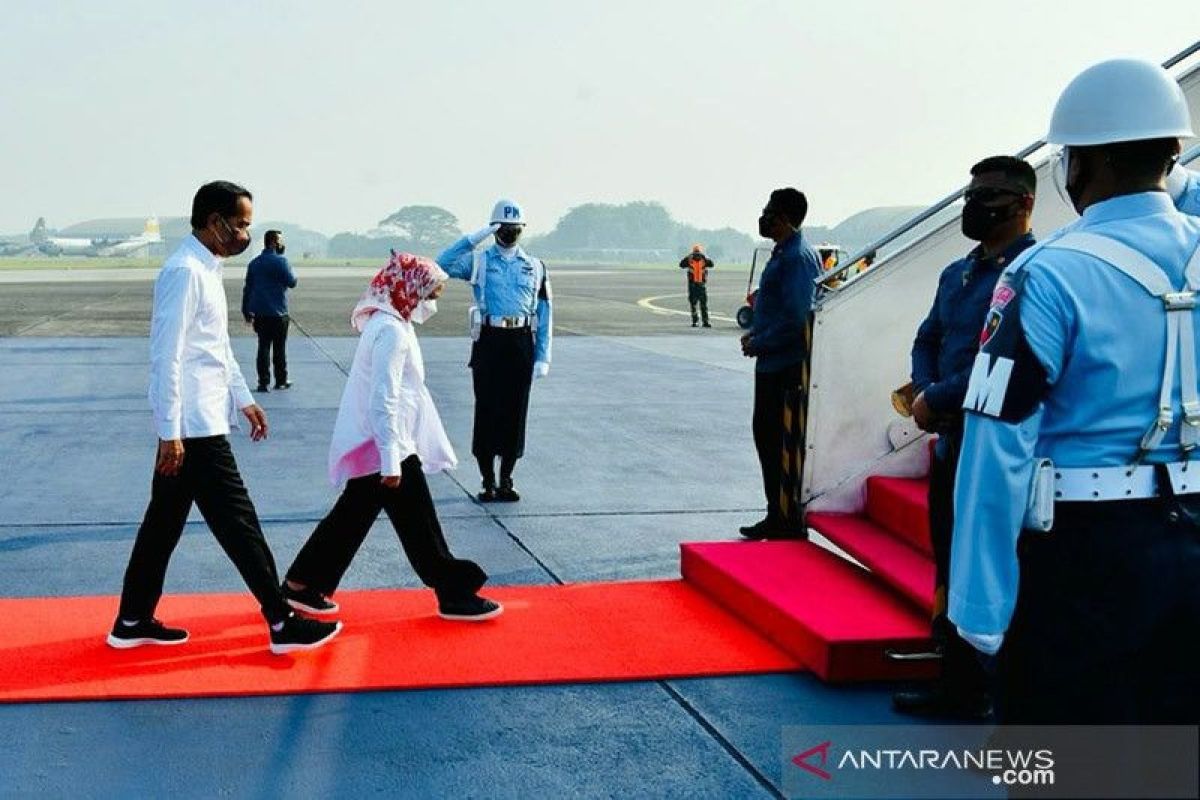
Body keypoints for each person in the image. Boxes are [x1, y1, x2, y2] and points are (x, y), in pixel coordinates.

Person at [950, 59, 1200, 723]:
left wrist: (980, 615)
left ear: (1084, 164)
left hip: (1085, 562)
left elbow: (996, 447)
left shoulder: (1045, 275)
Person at [109, 181, 340, 655]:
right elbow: (166, 357)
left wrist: (243, 399)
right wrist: (169, 433)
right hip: (193, 429)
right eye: (240, 225)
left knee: (163, 525)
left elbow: (213, 349)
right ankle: (281, 621)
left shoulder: (206, 267)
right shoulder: (184, 273)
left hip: (203, 418)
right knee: (239, 522)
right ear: (214, 222)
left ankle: (132, 618)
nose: (245, 235)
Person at [893, 156, 1037, 720]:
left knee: (995, 565)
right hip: (950, 441)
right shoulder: (957, 273)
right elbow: (928, 337)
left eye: (992, 194)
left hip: (994, 443)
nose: (976, 205)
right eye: (972, 194)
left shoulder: (1032, 271)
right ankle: (955, 680)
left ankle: (991, 684)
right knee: (950, 562)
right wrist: (927, 392)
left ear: (1025, 203)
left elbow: (996, 358)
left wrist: (939, 398)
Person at [282, 253, 502, 621]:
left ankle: (302, 583)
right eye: (430, 294)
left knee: (354, 517)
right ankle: (452, 591)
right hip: (388, 444)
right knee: (419, 526)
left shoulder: (388, 323)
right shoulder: (391, 333)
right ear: (411, 289)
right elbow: (383, 397)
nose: (431, 303)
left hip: (387, 442)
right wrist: (391, 458)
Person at [436, 198, 552, 503]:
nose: (509, 234)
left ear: (522, 230)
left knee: (516, 412)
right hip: (489, 340)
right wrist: (476, 236)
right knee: (486, 410)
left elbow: (545, 312)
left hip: (521, 341)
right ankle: (486, 479)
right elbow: (441, 264)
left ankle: (506, 479)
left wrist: (543, 356)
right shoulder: (480, 261)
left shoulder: (536, 267)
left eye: (515, 229)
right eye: (503, 228)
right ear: (494, 228)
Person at [738, 188, 823, 540]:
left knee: (779, 441)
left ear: (786, 217)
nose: (764, 217)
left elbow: (799, 317)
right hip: (772, 364)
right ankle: (777, 512)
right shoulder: (784, 254)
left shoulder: (797, 258)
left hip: (785, 366)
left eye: (769, 212)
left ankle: (785, 518)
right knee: (767, 438)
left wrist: (761, 341)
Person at [242, 229, 298, 392]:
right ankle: (281, 380)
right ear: (274, 242)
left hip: (261, 314)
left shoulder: (254, 263)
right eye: (280, 240)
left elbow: (248, 288)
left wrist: (246, 310)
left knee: (263, 347)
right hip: (279, 313)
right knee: (279, 348)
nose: (282, 244)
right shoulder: (281, 261)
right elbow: (292, 282)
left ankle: (263, 382)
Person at [679, 244, 714, 327]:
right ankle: (705, 322)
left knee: (694, 304)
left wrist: (688, 257)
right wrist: (704, 257)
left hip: (693, 285)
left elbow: (681, 264)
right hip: (701, 285)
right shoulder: (703, 259)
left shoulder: (689, 259)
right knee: (703, 305)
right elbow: (712, 264)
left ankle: (695, 321)